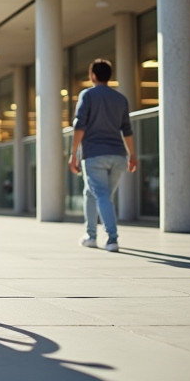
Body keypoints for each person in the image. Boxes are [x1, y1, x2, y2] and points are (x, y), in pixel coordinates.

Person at [69, 58, 137, 253]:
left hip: (94, 156)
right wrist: (132, 155)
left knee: (101, 195)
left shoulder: (87, 95)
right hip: (118, 156)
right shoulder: (120, 99)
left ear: (92, 76)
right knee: (92, 193)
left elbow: (79, 126)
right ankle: (90, 236)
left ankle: (112, 238)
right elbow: (127, 130)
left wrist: (73, 153)